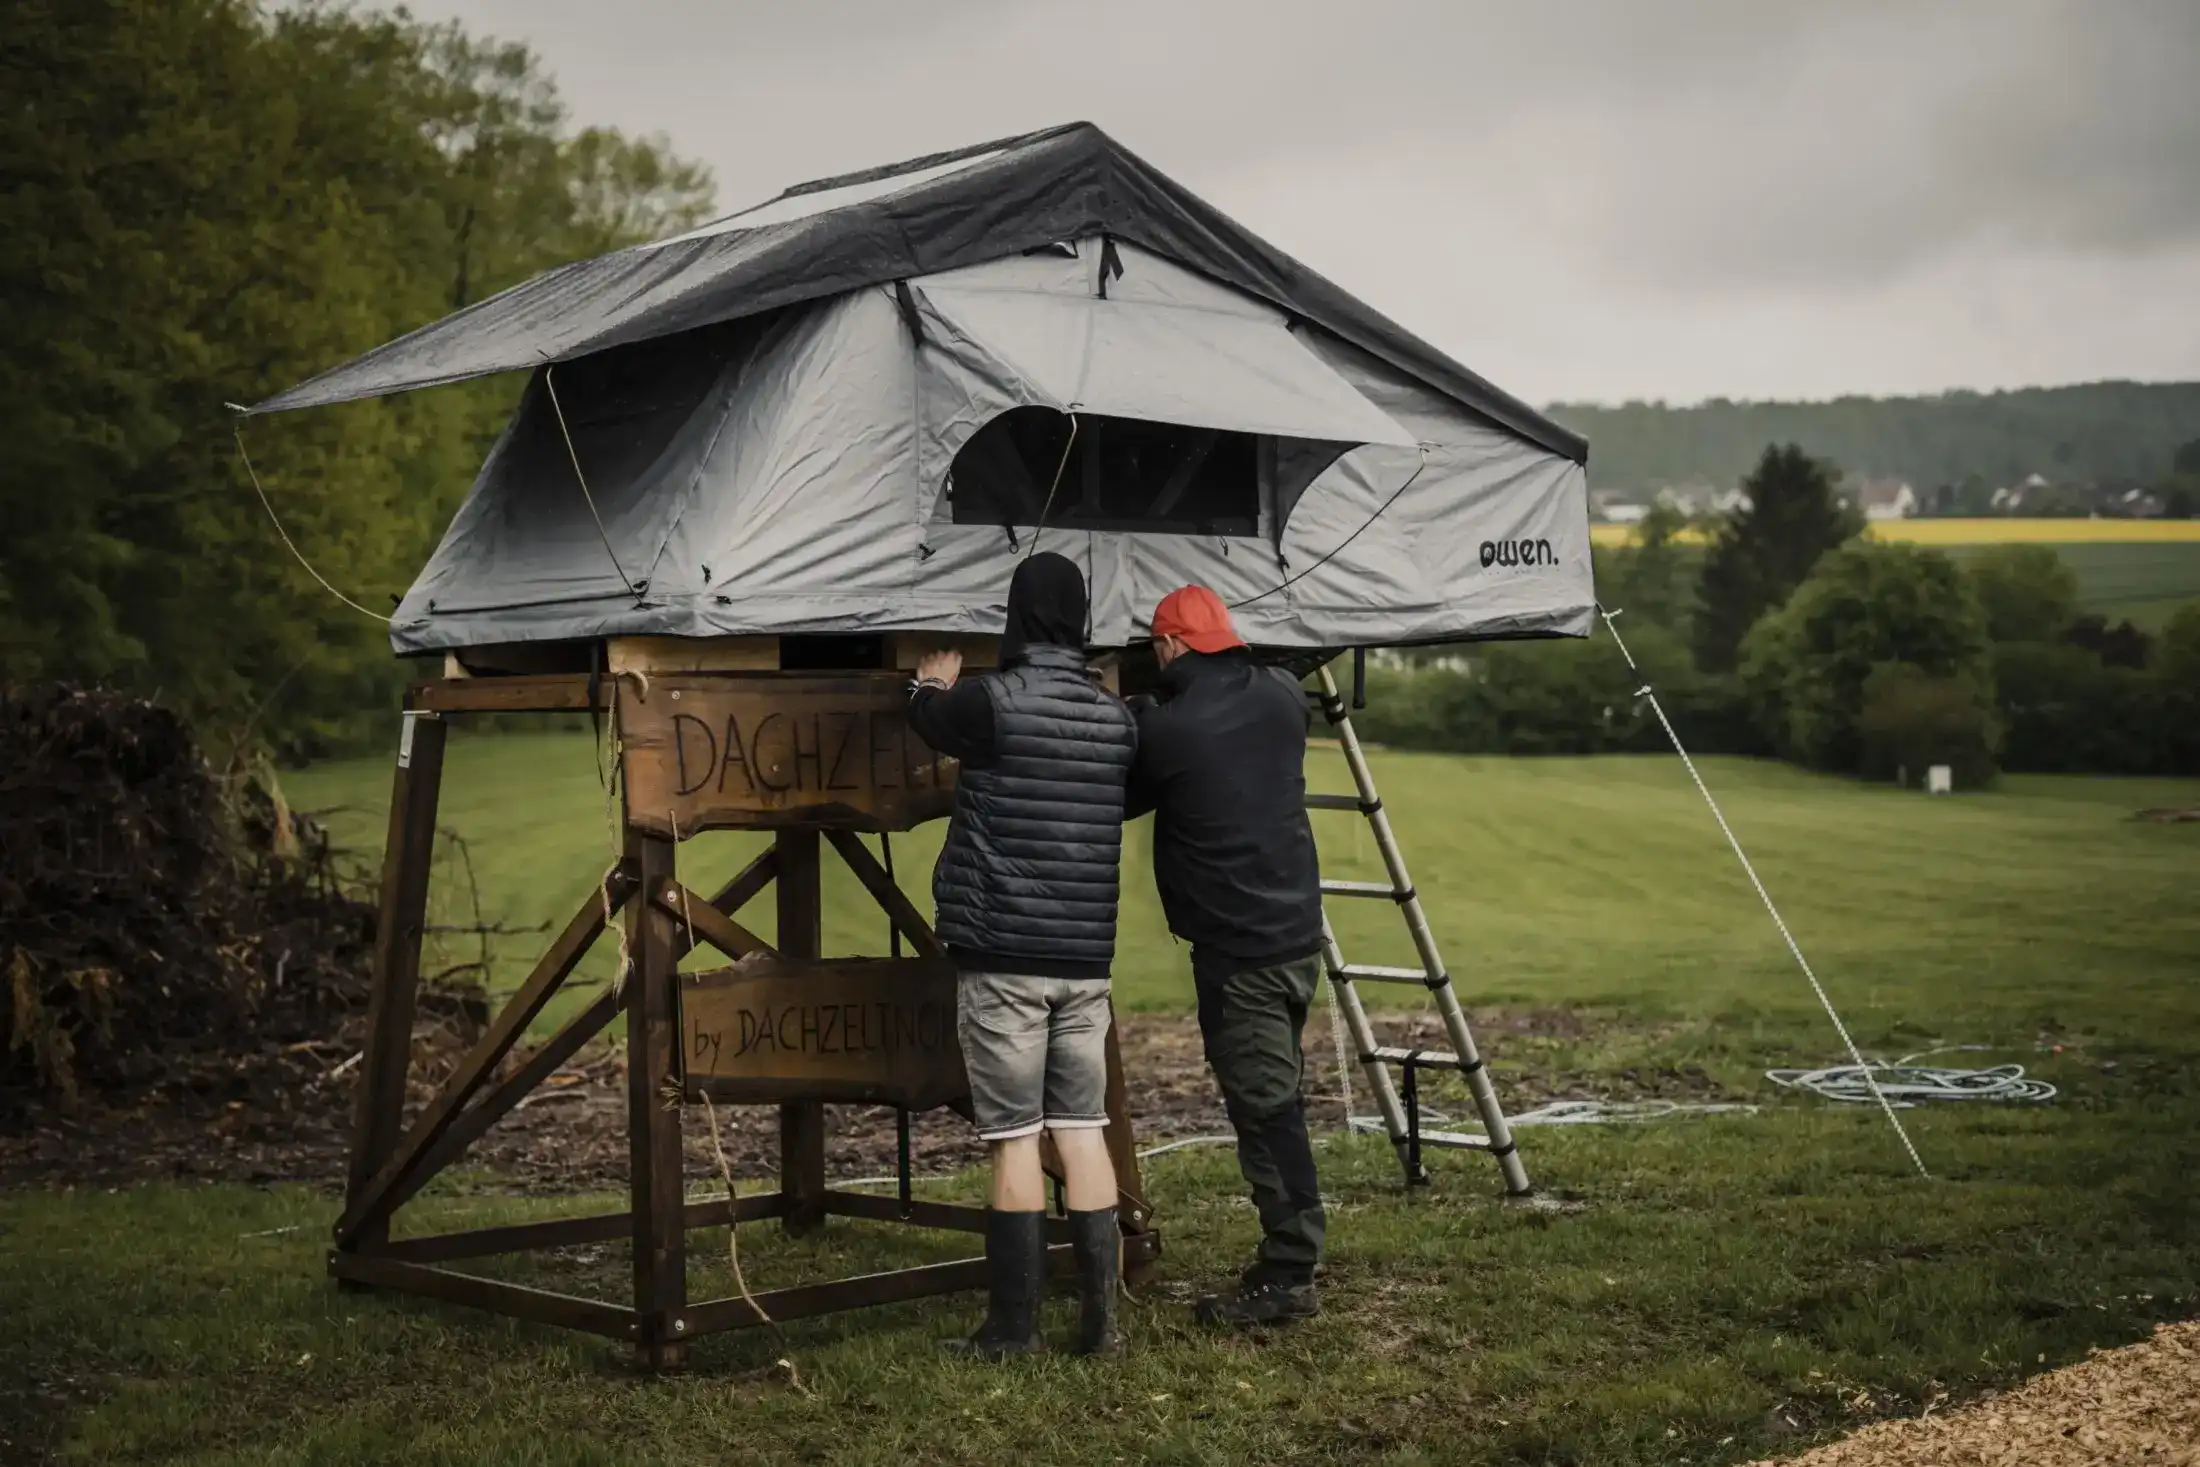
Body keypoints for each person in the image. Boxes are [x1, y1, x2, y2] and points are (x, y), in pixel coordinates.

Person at [906, 551, 1138, 1358]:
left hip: (1004, 955)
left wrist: (928, 681)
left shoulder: (989, 701)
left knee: (1013, 1139)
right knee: (1083, 1129)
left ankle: (1013, 1330)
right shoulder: (1117, 719)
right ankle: (1102, 1325)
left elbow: (930, 722)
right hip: (1086, 963)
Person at [1125, 584, 1327, 1326]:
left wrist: (1133, 711)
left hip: (1238, 950)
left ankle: (1289, 1271)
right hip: (1296, 933)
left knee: (1267, 1107)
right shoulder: (1280, 697)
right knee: (1277, 1094)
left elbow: (1122, 790)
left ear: (1171, 647)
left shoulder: (1172, 729)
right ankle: (1291, 1253)